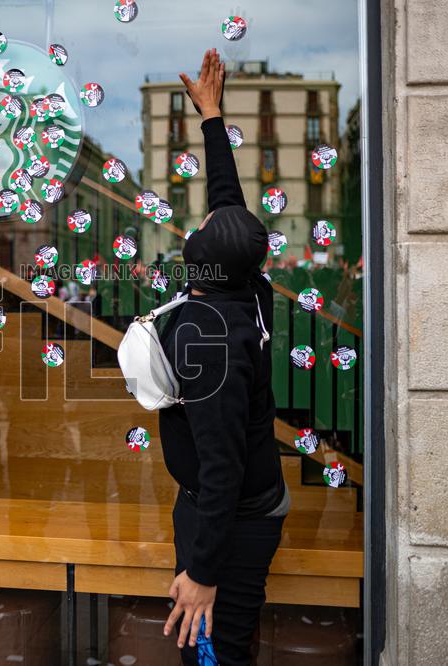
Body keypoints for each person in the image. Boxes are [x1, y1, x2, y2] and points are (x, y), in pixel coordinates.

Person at [159, 48, 290, 665]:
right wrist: (212, 118)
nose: (212, 210)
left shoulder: (205, 337)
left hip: (230, 519)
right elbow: (229, 204)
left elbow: (221, 465)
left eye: (208, 222)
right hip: (249, 502)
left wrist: (203, 569)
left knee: (212, 652)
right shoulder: (247, 286)